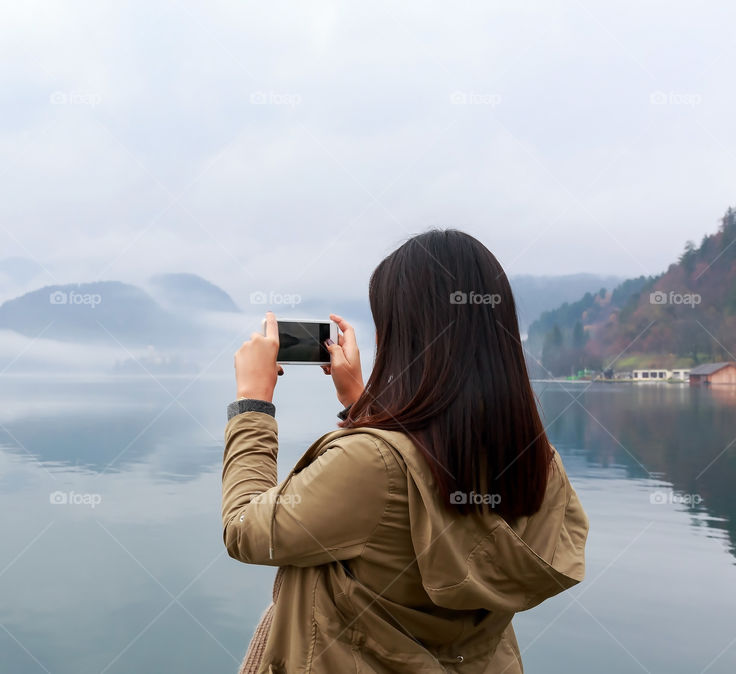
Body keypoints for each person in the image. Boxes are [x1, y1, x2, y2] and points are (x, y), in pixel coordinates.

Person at [222, 229, 589, 673]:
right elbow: (428, 466)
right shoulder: (538, 465)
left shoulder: (370, 466)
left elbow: (244, 529)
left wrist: (253, 405)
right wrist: (362, 403)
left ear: (403, 335)